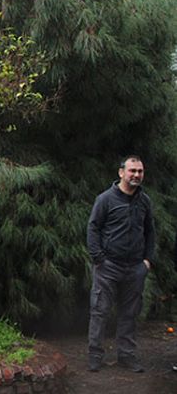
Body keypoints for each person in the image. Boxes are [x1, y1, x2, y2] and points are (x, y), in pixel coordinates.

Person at [87, 155, 155, 373]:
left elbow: (150, 231)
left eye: (140, 171)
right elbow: (93, 228)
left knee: (130, 313)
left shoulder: (144, 201)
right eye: (132, 170)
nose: (136, 175)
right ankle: (95, 356)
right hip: (108, 266)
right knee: (100, 311)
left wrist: (146, 260)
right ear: (121, 173)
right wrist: (99, 258)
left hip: (135, 268)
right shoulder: (105, 199)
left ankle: (126, 356)